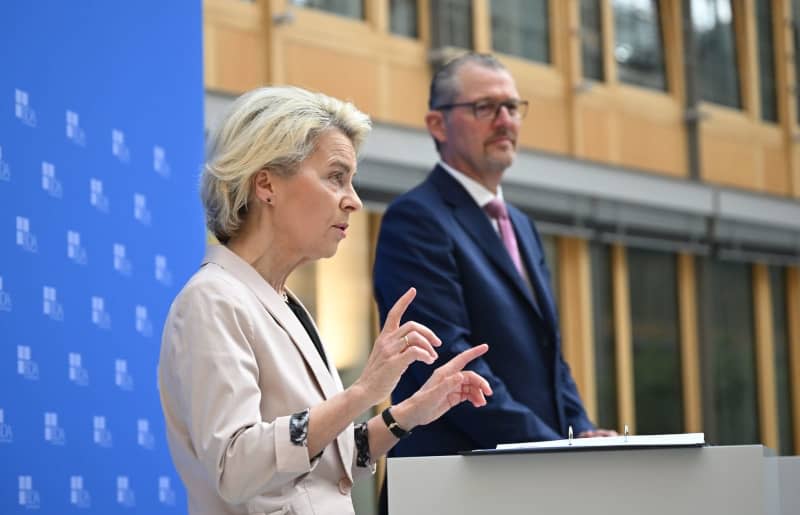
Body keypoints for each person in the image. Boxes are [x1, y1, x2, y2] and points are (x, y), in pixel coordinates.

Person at [158, 85, 493, 515]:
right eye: (336, 176)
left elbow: (319, 467)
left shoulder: (286, 304)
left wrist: (404, 415)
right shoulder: (211, 301)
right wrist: (362, 392)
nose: (353, 200)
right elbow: (236, 468)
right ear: (266, 185)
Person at [374, 53, 616, 462]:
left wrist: (583, 432)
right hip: (456, 483)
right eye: (484, 107)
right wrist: (560, 450)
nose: (504, 120)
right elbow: (453, 365)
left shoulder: (521, 225)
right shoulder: (416, 220)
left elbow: (549, 358)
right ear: (438, 124)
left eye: (512, 107)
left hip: (530, 475)